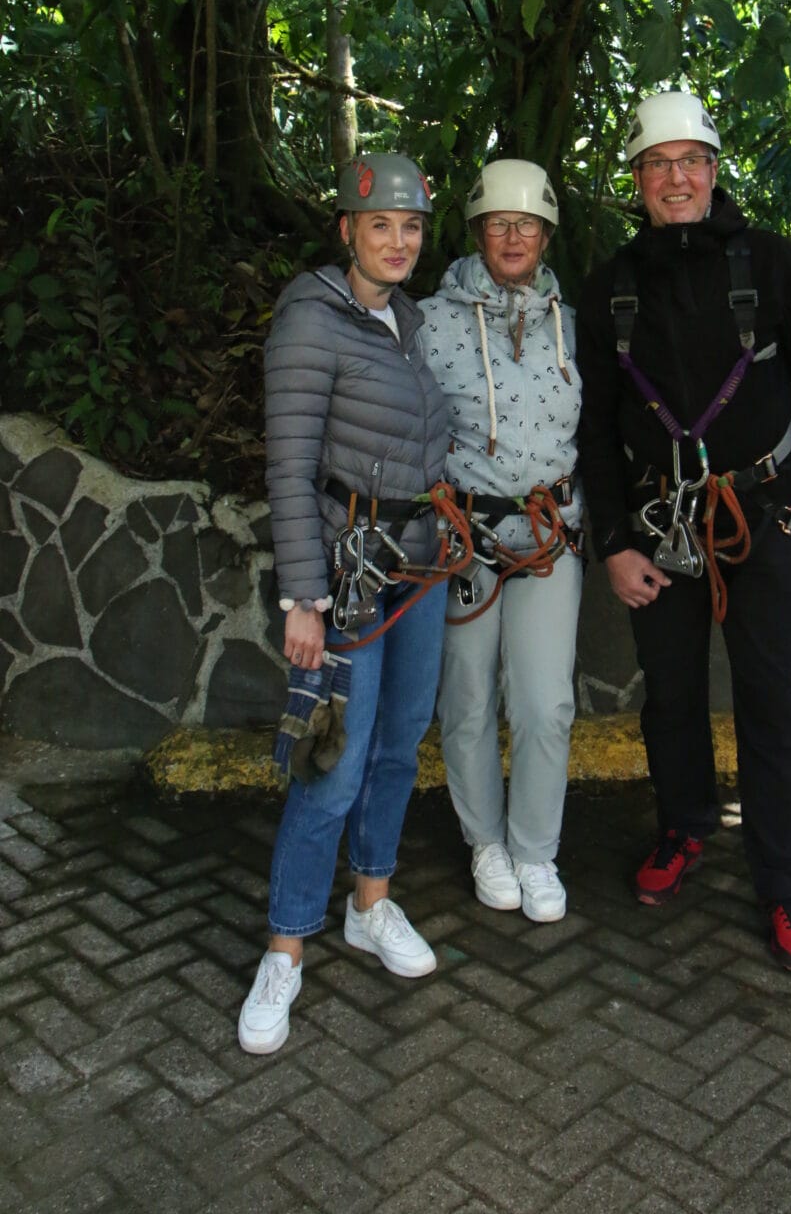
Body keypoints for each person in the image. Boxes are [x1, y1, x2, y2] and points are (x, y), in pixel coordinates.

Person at [575, 92, 791, 973]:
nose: (676, 179)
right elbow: (593, 426)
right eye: (658, 165)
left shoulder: (768, 265)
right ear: (636, 179)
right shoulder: (613, 283)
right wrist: (614, 542)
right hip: (659, 526)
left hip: (763, 518)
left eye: (690, 162)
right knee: (670, 696)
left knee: (771, 704)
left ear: (713, 171)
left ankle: (785, 881)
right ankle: (686, 825)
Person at [238, 152, 451, 1055]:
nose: (398, 242)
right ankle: (284, 950)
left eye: (410, 228)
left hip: (420, 568)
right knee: (332, 763)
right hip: (347, 576)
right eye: (381, 227)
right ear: (347, 232)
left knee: (398, 748)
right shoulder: (311, 320)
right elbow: (289, 468)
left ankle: (370, 901)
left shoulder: (403, 317)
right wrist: (303, 598)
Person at [420, 160, 584, 922]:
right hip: (466, 536)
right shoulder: (428, 320)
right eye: (499, 223)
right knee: (467, 697)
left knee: (546, 703)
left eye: (528, 225)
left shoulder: (569, 321)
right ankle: (485, 841)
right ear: (479, 231)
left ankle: (534, 851)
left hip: (550, 533)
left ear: (546, 235)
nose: (513, 236)